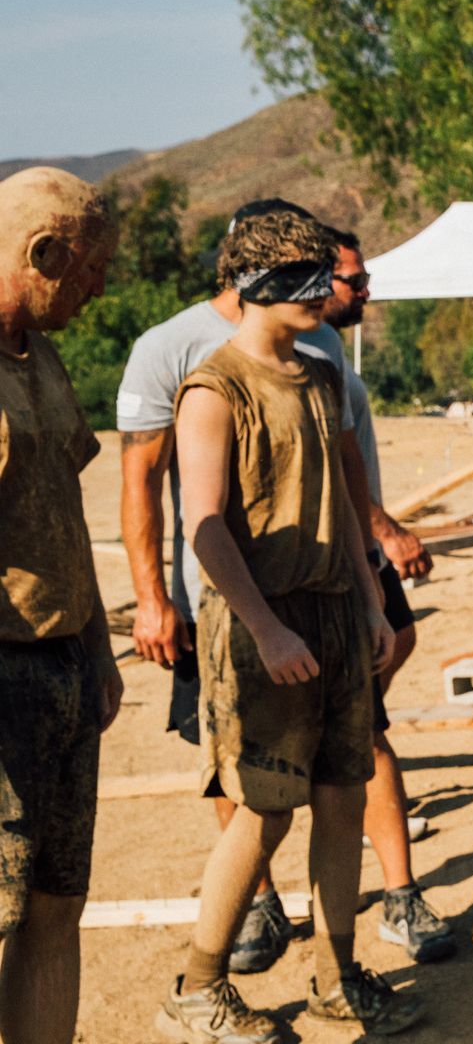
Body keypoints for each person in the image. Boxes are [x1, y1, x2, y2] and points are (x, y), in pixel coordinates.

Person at [116, 198, 407, 974]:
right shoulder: (215, 387)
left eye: (327, 275)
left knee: (343, 798)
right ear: (256, 282)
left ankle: (337, 978)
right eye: (307, 277)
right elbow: (204, 524)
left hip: (336, 611)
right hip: (259, 626)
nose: (326, 291)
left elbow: (345, 500)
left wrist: (371, 601)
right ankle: (200, 984)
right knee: (264, 812)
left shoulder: (320, 375)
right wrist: (267, 630)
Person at [0, 168, 120, 1044]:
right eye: (88, 273)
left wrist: (99, 649)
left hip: (64, 667)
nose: (98, 292)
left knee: (54, 905)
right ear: (42, 253)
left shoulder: (39, 354)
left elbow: (65, 511)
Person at [320, 229, 455, 964]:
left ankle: (395, 890)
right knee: (362, 736)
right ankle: (392, 894)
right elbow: (335, 474)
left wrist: (380, 533)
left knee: (396, 649)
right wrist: (383, 530)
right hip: (328, 566)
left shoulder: (331, 353)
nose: (364, 290)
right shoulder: (294, 356)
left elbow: (352, 463)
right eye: (351, 280)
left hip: (360, 555)